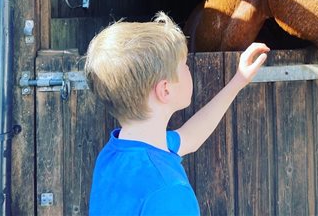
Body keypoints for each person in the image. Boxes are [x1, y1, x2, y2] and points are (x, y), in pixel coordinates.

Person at [84, 12, 269, 215]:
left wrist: (238, 81)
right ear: (165, 90)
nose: (188, 70)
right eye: (185, 66)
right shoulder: (169, 192)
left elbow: (189, 137)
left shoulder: (114, 154)